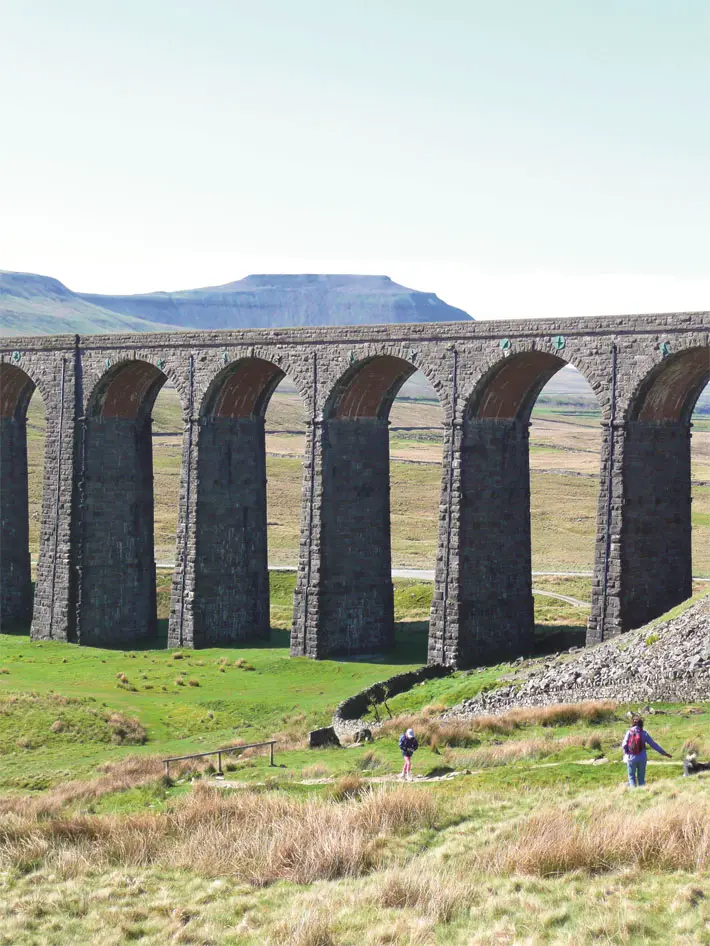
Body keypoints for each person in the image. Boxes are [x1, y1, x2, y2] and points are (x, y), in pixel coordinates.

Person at [622, 716, 671, 788]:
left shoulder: (629, 732)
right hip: (642, 758)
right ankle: (642, 793)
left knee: (631, 777)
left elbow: (624, 745)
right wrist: (664, 753)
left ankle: (633, 794)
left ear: (633, 723)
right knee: (641, 778)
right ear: (641, 724)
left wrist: (627, 754)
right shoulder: (644, 733)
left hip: (631, 758)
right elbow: (654, 745)